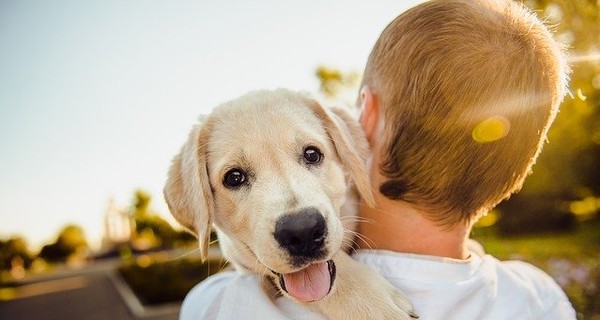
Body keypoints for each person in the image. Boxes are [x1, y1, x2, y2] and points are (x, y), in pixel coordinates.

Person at [180, 0, 576, 319]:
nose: (297, 215)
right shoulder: (541, 299)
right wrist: (342, 283)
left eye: (311, 155)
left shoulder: (218, 306)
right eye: (235, 178)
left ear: (364, 117)